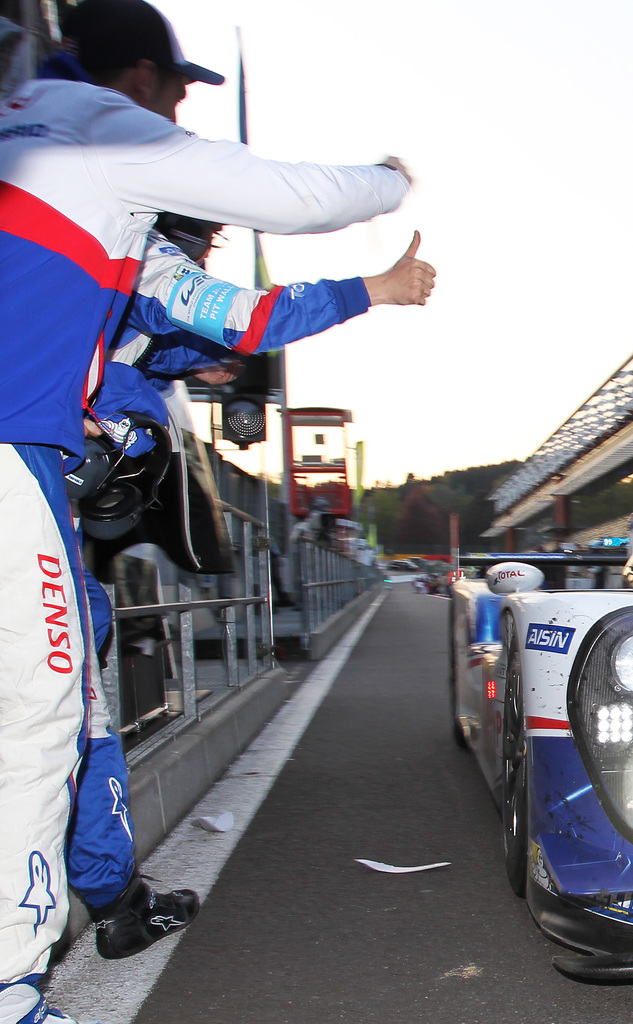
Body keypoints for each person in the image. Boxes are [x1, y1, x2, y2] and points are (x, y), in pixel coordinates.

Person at [0, 1, 409, 1016]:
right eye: (176, 87)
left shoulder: (25, 130)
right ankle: (14, 984)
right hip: (15, 467)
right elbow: (271, 246)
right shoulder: (96, 140)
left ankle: (109, 899)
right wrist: (391, 209)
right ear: (136, 78)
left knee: (65, 705)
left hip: (41, 465)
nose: (182, 106)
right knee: (48, 719)